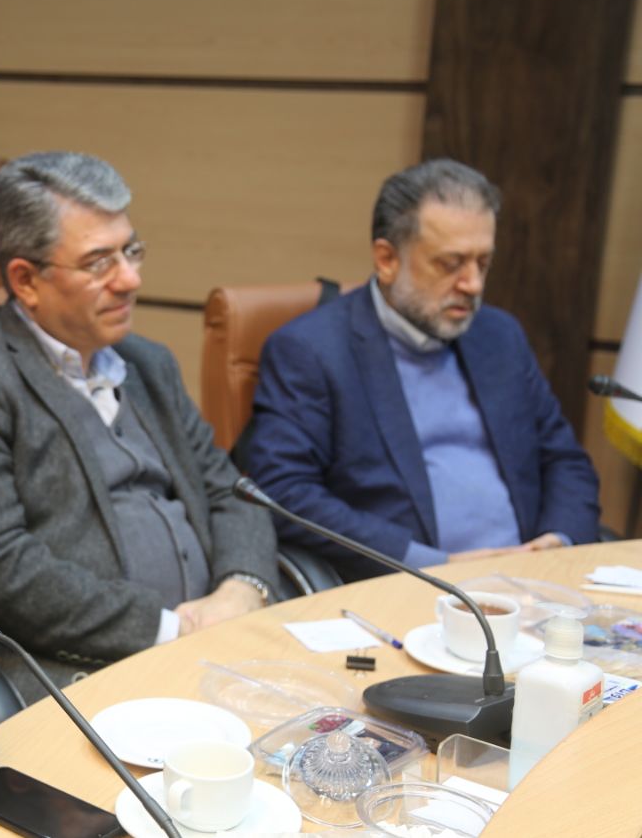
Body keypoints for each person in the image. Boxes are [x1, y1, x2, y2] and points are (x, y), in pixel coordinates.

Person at [0, 151, 280, 704]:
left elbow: (231, 492)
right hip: (79, 671)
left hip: (218, 647)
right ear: (26, 280)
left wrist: (243, 587)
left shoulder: (147, 362)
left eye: (131, 251)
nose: (131, 279)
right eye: (99, 262)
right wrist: (172, 629)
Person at [244, 159, 600, 582]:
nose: (473, 284)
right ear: (387, 259)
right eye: (451, 264)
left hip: (533, 582)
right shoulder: (312, 351)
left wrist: (559, 541)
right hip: (409, 587)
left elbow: (564, 459)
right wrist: (431, 565)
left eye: (483, 263)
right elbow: (284, 493)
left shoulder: (500, 336)